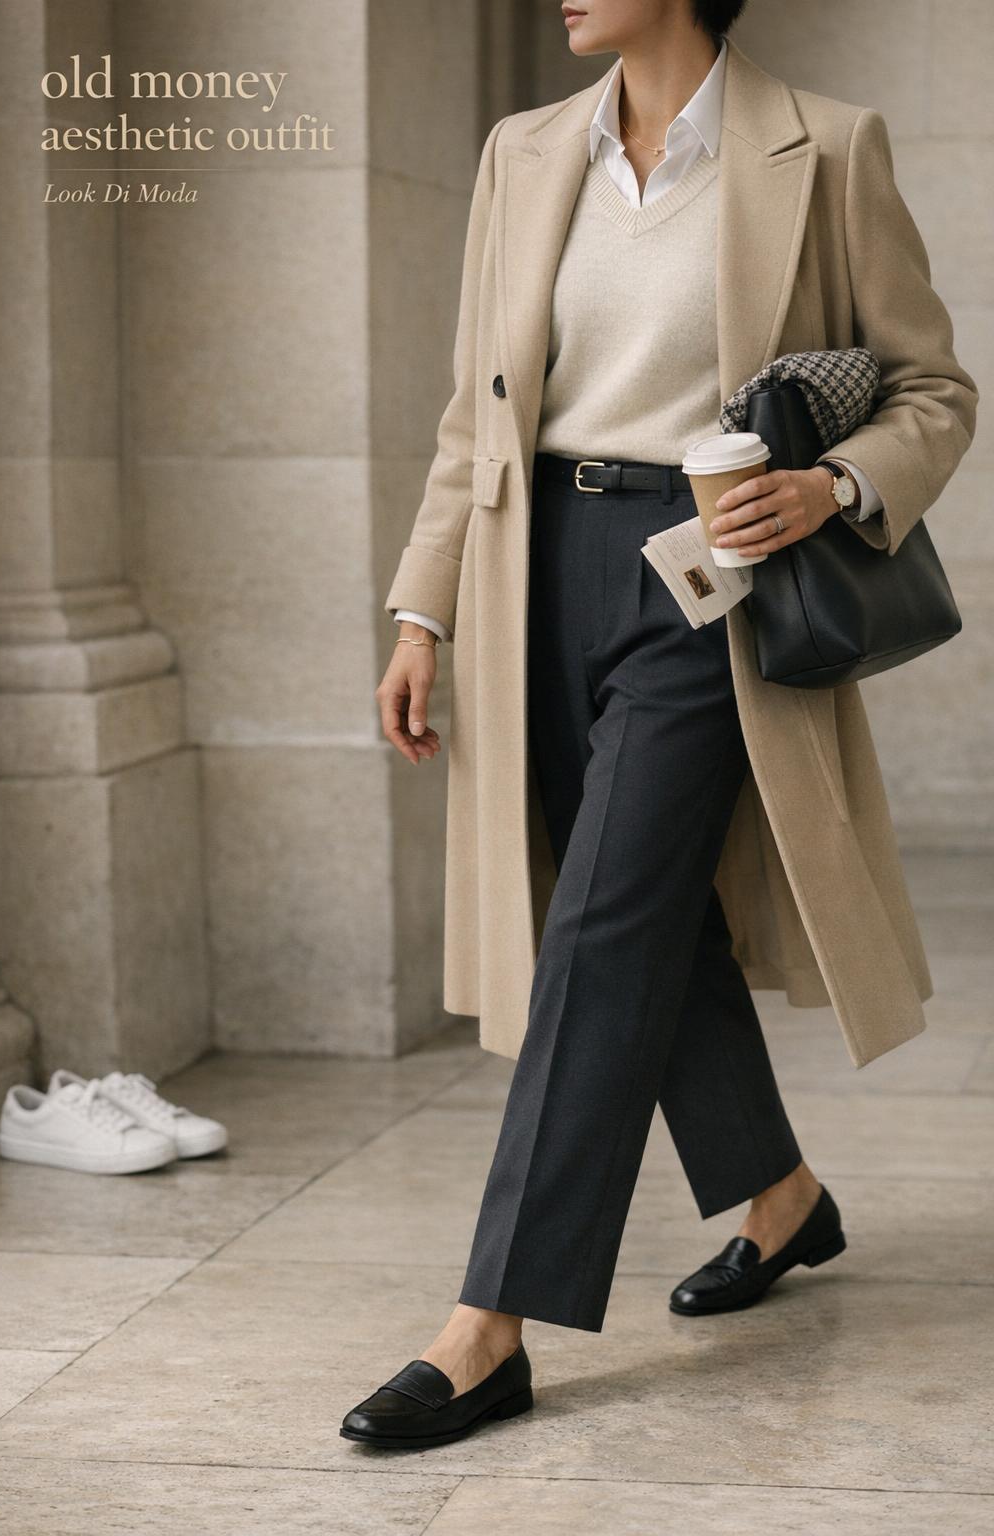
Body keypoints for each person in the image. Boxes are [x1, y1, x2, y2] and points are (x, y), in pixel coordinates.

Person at [340, 0, 978, 1450]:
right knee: (639, 901)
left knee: (606, 927)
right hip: (530, 581)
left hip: (705, 581)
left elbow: (936, 389)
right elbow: (474, 415)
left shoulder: (827, 150)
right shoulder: (524, 152)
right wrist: (420, 610)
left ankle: (490, 1322)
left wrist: (834, 489)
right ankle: (782, 1199)